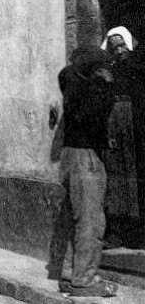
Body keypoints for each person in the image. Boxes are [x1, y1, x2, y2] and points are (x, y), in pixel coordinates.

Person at [50, 45, 118, 298]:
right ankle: (84, 280)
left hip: (70, 156)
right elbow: (95, 116)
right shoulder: (89, 87)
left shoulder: (70, 81)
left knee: (73, 220)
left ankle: (69, 274)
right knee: (91, 221)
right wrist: (107, 87)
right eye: (102, 66)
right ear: (93, 68)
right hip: (86, 156)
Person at [98, 26, 145, 248]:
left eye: (122, 45)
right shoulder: (107, 71)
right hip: (116, 128)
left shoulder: (138, 68)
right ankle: (119, 231)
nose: (119, 51)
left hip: (137, 130)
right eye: (114, 47)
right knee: (117, 180)